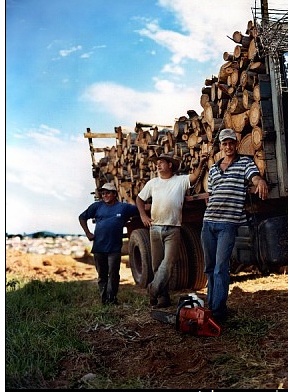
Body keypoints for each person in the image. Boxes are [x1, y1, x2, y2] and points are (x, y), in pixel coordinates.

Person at [201, 128, 268, 322]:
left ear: (236, 145)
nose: (228, 147)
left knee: (221, 267)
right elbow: (211, 194)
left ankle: (218, 313)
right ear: (221, 146)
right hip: (208, 223)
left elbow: (253, 176)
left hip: (227, 225)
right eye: (225, 144)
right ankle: (210, 306)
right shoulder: (213, 169)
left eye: (231, 143)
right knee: (209, 266)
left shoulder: (245, 163)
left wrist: (260, 180)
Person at [136, 151, 207, 308]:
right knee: (156, 265)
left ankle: (152, 289)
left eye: (162, 162)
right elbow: (139, 199)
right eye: (158, 162)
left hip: (173, 229)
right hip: (155, 228)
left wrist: (201, 164)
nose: (158, 164)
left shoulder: (180, 181)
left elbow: (194, 177)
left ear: (170, 165)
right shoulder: (152, 183)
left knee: (168, 263)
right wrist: (143, 216)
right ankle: (163, 298)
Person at [79, 182, 139, 305]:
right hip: (99, 247)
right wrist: (88, 233)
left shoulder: (123, 207)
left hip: (114, 248)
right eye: (103, 193)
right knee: (102, 274)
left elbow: (137, 208)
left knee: (113, 274)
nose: (105, 195)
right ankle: (104, 299)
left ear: (114, 194)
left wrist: (128, 198)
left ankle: (112, 298)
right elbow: (82, 217)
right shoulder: (97, 206)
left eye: (107, 193)